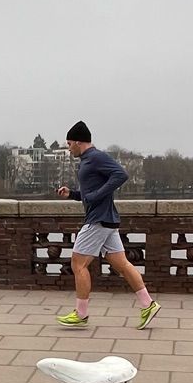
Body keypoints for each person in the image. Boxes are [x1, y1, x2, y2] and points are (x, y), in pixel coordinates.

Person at [54, 120, 160, 329]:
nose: (68, 148)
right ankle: (148, 304)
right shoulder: (87, 160)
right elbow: (90, 194)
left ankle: (81, 314)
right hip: (107, 220)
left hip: (98, 221)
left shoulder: (95, 156)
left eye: (68, 144)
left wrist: (97, 195)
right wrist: (73, 194)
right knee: (122, 264)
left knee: (78, 264)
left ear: (77, 142)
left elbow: (121, 175)